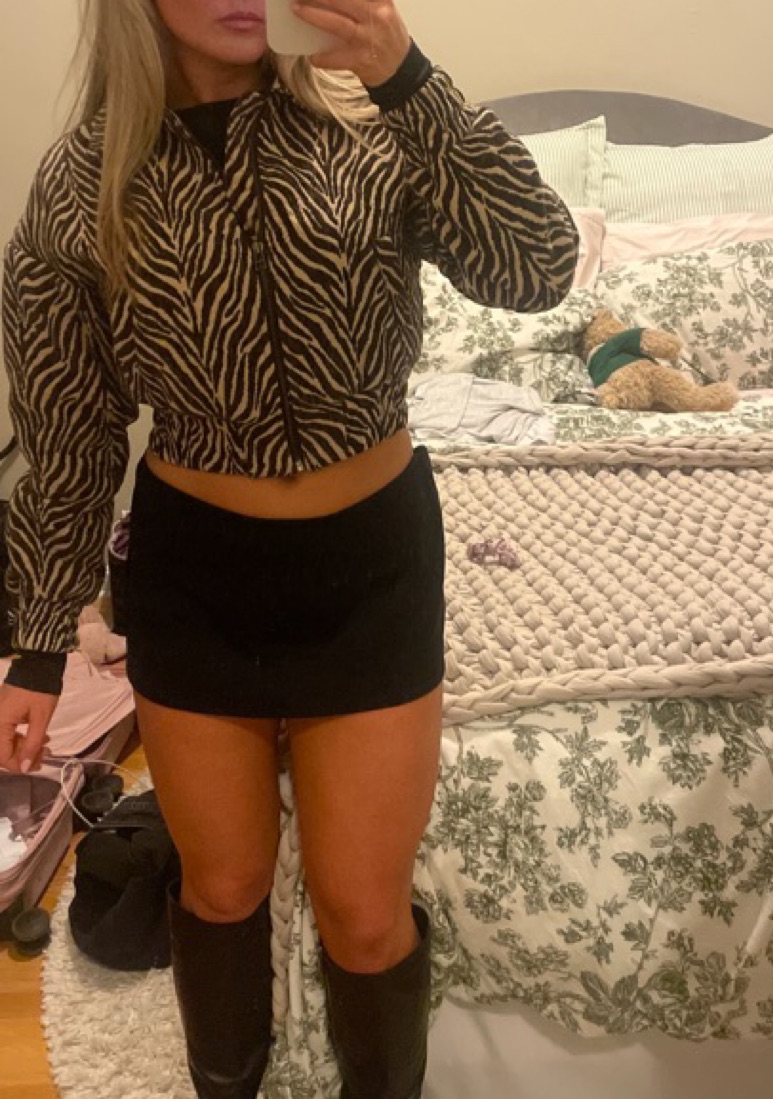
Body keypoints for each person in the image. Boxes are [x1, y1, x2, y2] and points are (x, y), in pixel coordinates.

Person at [0, 0, 580, 1095]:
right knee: (221, 888)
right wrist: (36, 647)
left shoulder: (375, 122)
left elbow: (537, 265)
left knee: (364, 915)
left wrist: (407, 77)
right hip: (195, 577)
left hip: (371, 566)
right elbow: (68, 433)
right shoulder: (84, 182)